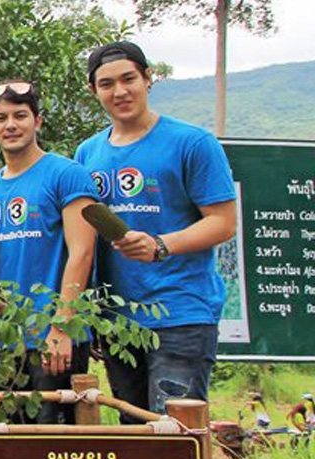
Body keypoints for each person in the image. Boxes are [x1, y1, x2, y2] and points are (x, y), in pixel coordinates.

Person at [74, 41, 237, 418]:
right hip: (118, 321)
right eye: (107, 84)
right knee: (135, 436)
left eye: (129, 78)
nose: (120, 91)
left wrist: (160, 245)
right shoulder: (87, 153)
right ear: (94, 91)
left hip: (180, 314)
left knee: (175, 436)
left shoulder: (192, 143)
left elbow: (223, 222)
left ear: (149, 79)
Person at [0, 80, 98, 423]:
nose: (11, 125)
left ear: (38, 121)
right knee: (12, 445)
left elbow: (82, 253)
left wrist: (61, 327)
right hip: (6, 342)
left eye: (20, 115)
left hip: (53, 336)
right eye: (1, 118)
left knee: (53, 445)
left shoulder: (67, 174)